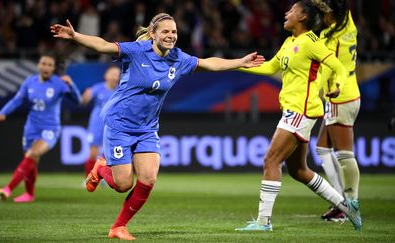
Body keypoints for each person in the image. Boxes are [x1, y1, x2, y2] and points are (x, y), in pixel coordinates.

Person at [50, 13, 264, 240]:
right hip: (119, 124)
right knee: (123, 184)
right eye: (165, 31)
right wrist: (75, 36)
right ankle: (101, 168)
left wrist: (240, 63)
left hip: (147, 128)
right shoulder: (135, 51)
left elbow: (208, 63)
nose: (171, 36)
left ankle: (118, 227)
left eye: (174, 32)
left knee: (149, 179)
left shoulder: (178, 59)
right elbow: (103, 45)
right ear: (152, 34)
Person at [234, 0, 362, 232]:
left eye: (292, 10)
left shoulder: (311, 43)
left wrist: (339, 85)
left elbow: (338, 67)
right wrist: (238, 65)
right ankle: (346, 206)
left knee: (271, 160)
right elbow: (272, 67)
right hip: (294, 110)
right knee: (299, 171)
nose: (286, 12)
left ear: (302, 17)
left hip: (301, 111)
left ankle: (264, 222)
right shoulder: (289, 42)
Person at [0, 53, 82, 203]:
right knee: (32, 159)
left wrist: (72, 85)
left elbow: (78, 101)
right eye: (43, 63)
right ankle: (29, 194)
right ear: (38, 65)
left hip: (50, 128)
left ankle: (8, 188)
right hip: (31, 127)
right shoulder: (30, 82)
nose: (46, 67)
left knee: (33, 153)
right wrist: (3, 112)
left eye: (49, 65)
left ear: (54, 68)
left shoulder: (59, 83)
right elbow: (17, 100)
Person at [315, 0, 361, 222]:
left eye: (324, 13)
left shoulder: (329, 38)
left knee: (344, 155)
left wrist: (314, 91)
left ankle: (348, 204)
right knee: (322, 148)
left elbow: (326, 69)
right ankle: (339, 201)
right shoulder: (349, 24)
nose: (321, 18)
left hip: (338, 96)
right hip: (351, 93)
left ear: (331, 14)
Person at [82, 65, 120, 176]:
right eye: (112, 73)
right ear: (106, 75)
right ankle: (88, 178)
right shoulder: (98, 88)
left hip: (113, 125)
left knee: (110, 154)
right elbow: (84, 101)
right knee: (93, 153)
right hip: (97, 124)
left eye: (117, 74)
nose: (114, 76)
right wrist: (85, 97)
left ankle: (104, 177)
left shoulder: (120, 90)